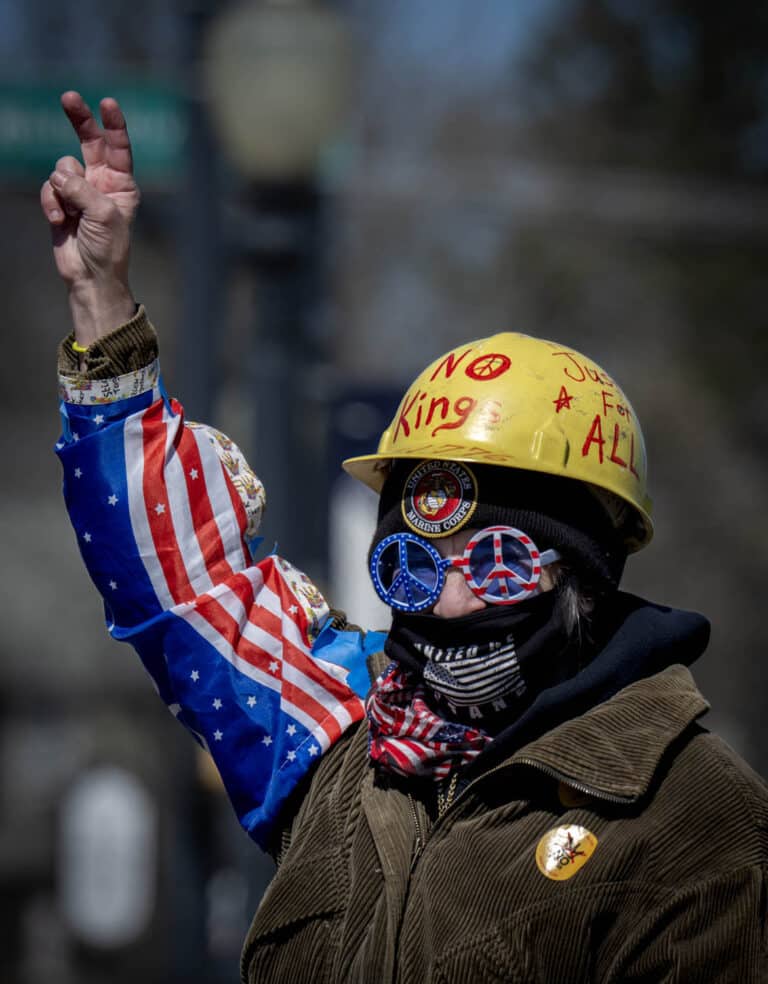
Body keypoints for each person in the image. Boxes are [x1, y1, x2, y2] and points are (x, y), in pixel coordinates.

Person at [43, 92, 768, 983]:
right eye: (413, 564)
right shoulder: (347, 731)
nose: (452, 601)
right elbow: (188, 579)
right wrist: (101, 298)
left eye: (498, 564)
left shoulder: (692, 811)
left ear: (586, 576)